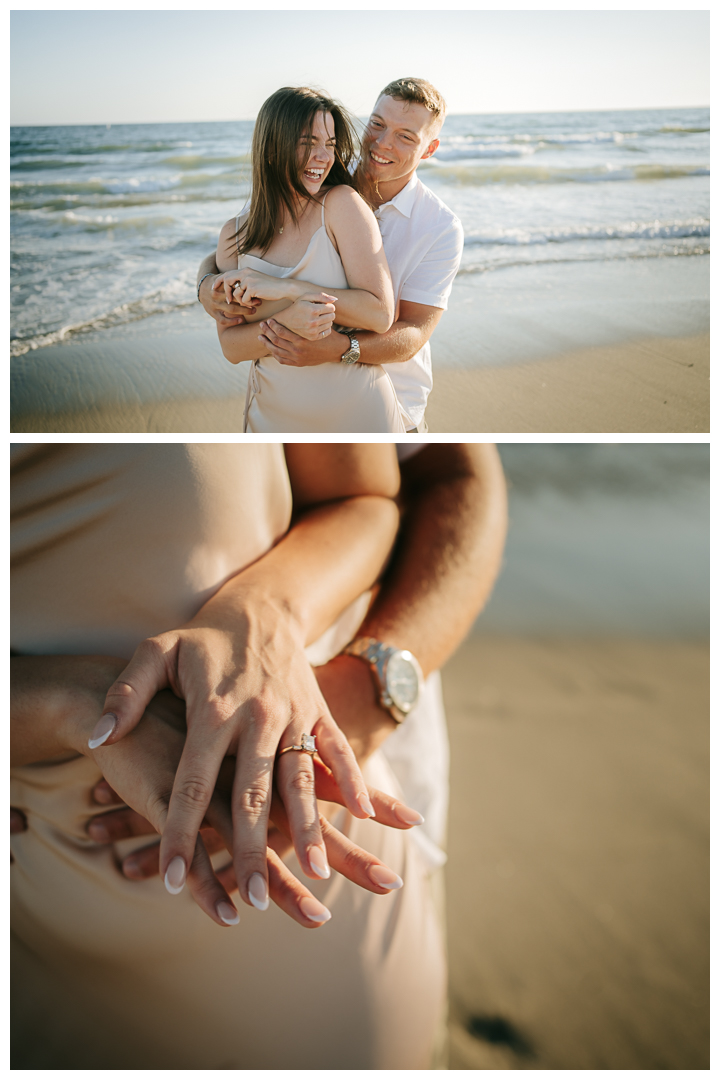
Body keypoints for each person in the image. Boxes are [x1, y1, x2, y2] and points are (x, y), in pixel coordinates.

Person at [11, 443, 508, 1069]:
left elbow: (418, 481)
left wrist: (332, 670)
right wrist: (67, 700)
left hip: (302, 897)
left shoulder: (259, 349)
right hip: (30, 937)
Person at [198, 78, 464, 433]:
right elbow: (240, 250)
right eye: (377, 125)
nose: (382, 143)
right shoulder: (317, 177)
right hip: (280, 407)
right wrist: (206, 283)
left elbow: (410, 331)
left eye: (406, 136)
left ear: (429, 149)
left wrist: (337, 347)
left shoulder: (438, 227)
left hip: (392, 395)